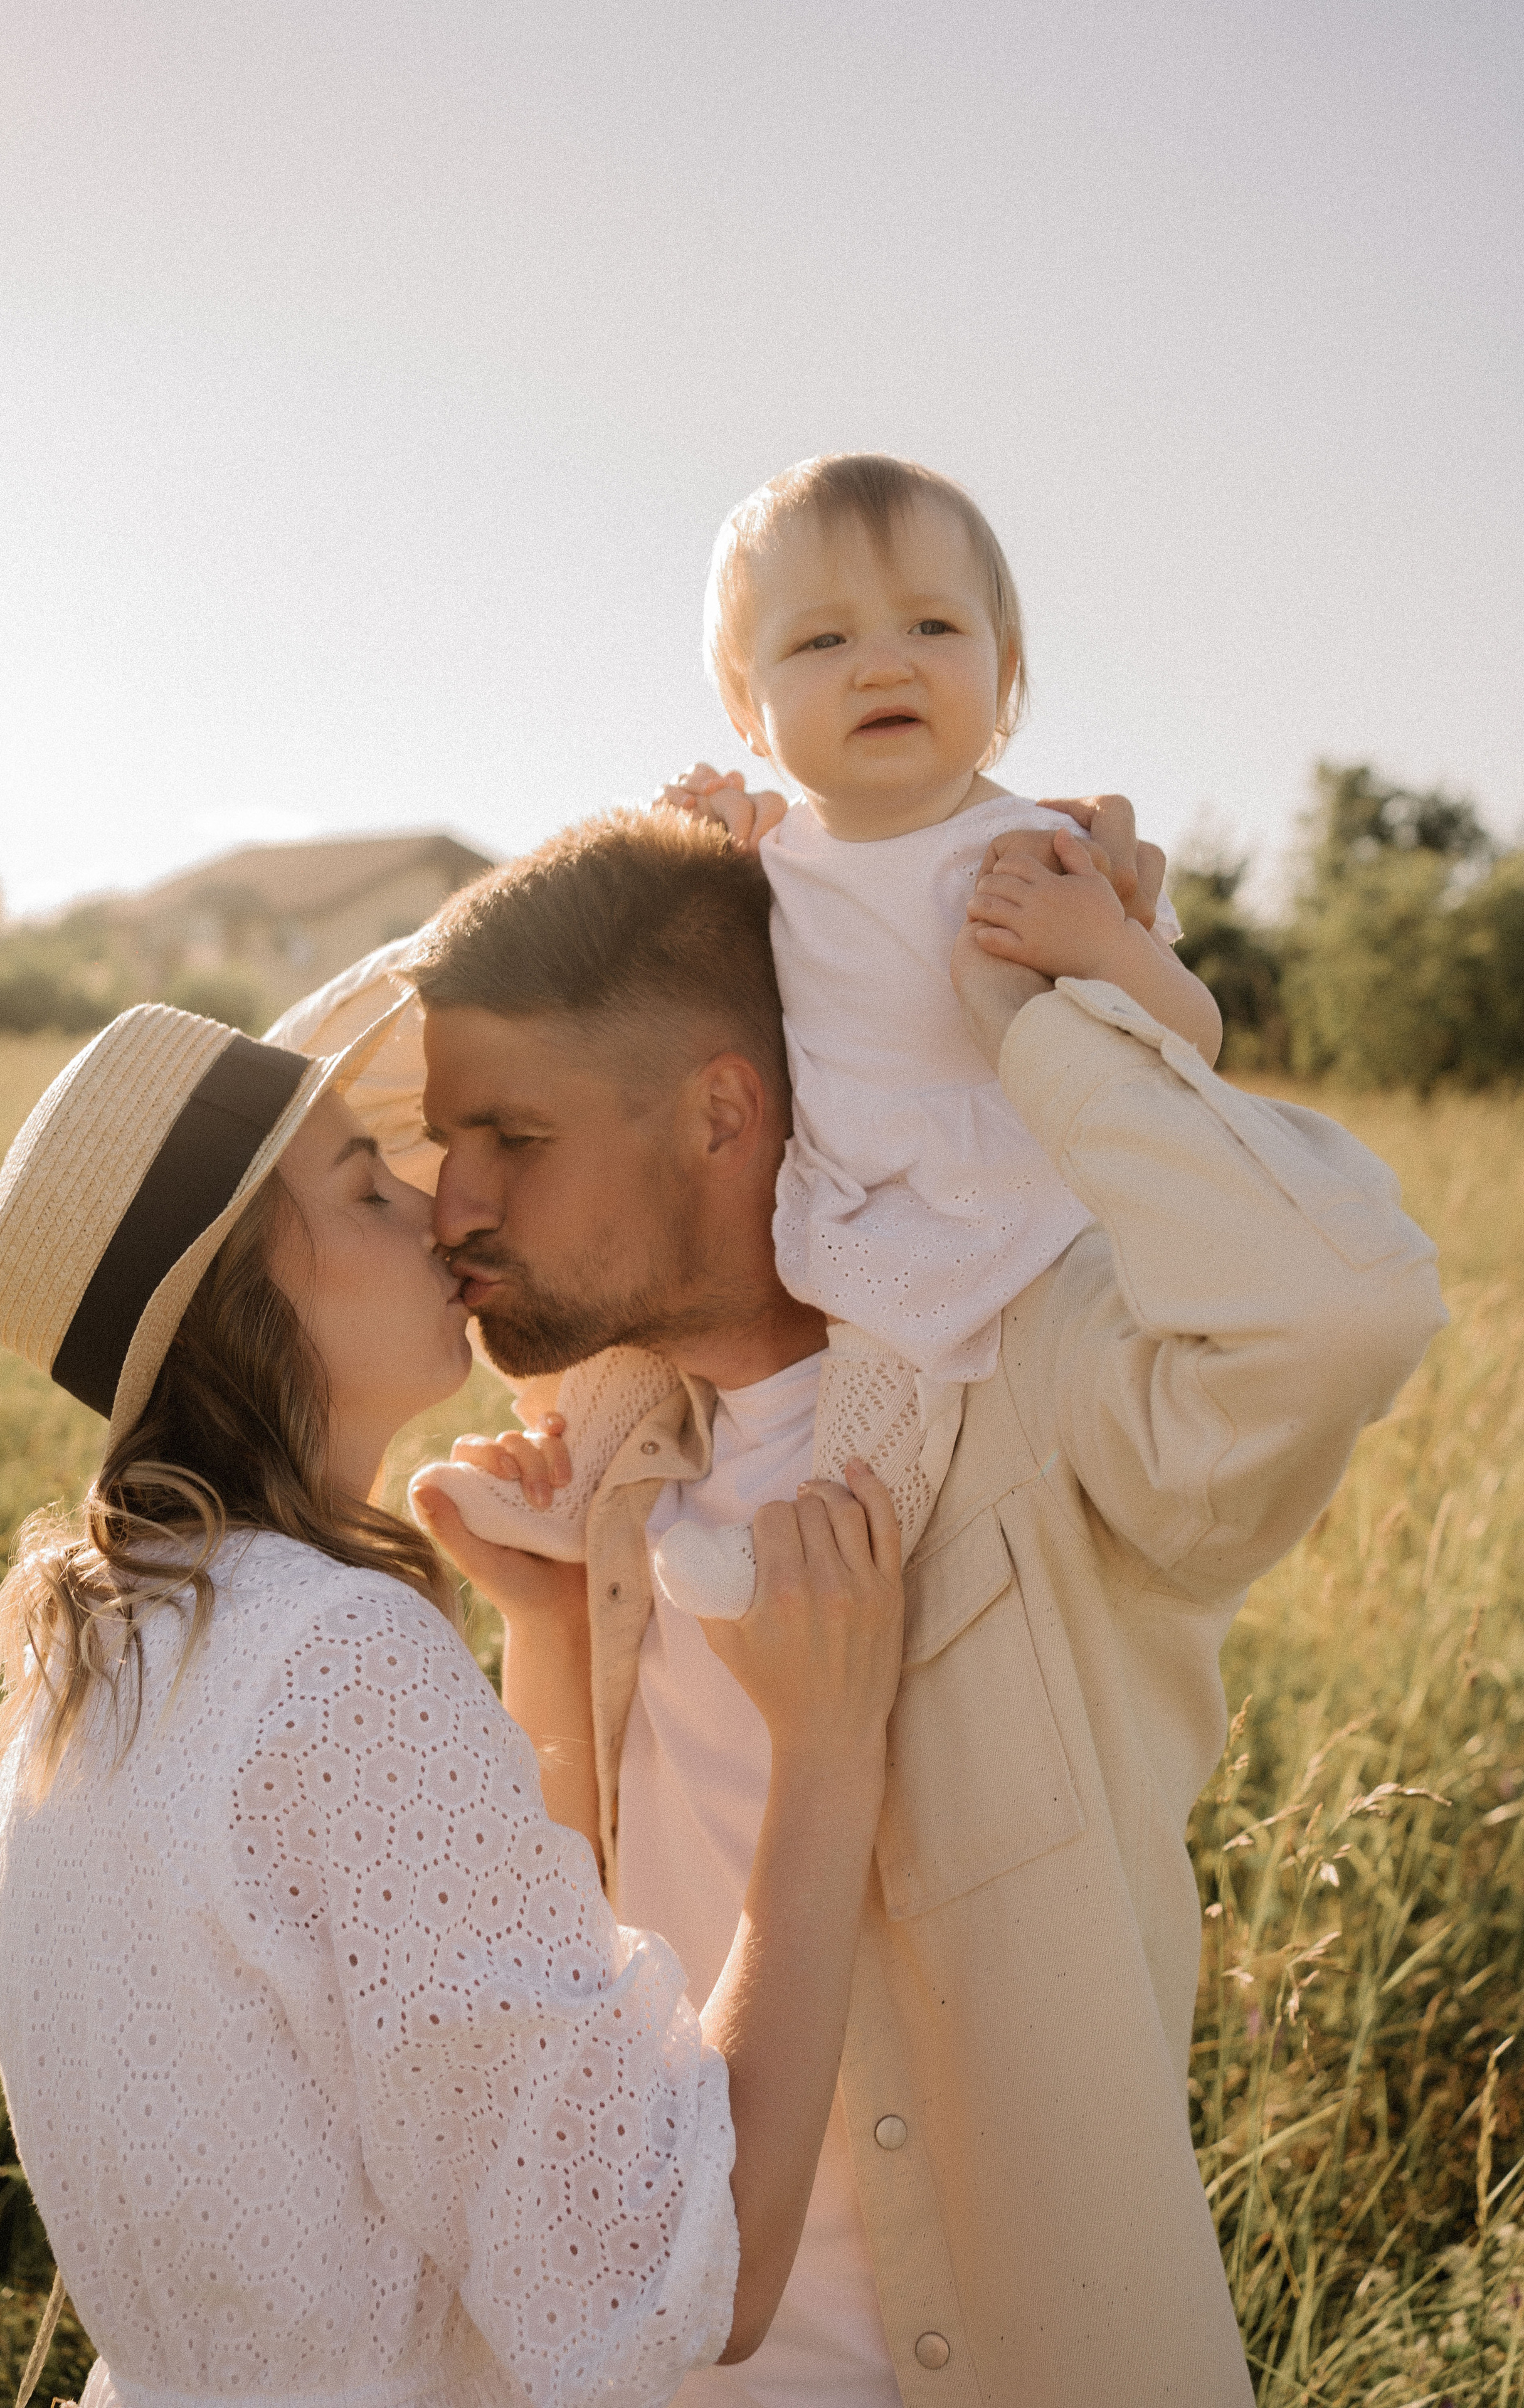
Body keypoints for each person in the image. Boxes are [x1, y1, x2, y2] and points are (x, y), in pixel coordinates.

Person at [317, 802, 1442, 2408]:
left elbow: (1342, 1310)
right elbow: (585, 1953)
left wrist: (1051, 1022)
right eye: (445, 1146)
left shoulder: (1034, 1390)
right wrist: (548, 1629)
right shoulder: (624, 1453)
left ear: (722, 1114)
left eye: (515, 1137)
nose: (453, 1202)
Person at [0, 996, 912, 2408]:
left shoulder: (101, 1654)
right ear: (244, 1292)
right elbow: (676, 2267)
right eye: (361, 1184)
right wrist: (827, 1755)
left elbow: (463, 2030)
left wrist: (540, 1633)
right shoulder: (330, 1655)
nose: (432, 1212)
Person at [431, 455, 1226, 1619]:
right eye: (822, 643)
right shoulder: (780, 857)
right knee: (635, 1340)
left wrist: (1103, 944)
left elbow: (1194, 1039)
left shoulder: (1040, 852)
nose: (886, 663)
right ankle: (577, 1491)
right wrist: (689, 830)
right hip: (826, 1179)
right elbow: (668, 968)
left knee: (886, 1400)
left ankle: (797, 1565)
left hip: (968, 1205)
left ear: (1005, 674)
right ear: (749, 710)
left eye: (933, 625)